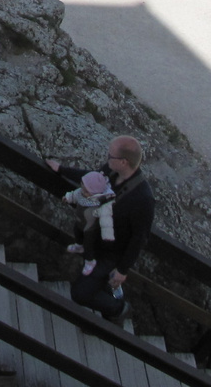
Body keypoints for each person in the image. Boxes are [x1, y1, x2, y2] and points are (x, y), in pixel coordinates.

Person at [46, 136, 155, 322]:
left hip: (111, 255)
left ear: (124, 162)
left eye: (110, 156)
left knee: (81, 293)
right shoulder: (111, 171)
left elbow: (139, 238)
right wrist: (61, 170)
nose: (107, 158)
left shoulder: (143, 198)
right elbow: (91, 179)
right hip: (96, 242)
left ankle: (119, 309)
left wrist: (122, 270)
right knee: (96, 286)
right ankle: (105, 319)